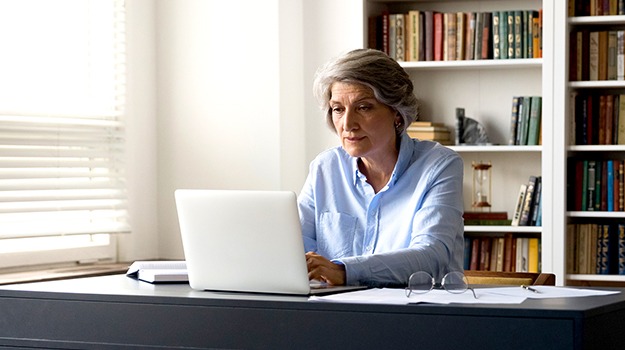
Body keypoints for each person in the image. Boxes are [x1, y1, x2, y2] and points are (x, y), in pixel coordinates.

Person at [298, 48, 464, 287]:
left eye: (364, 107)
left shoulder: (439, 165)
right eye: (338, 109)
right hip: (337, 311)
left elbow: (431, 255)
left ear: (396, 113)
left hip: (417, 315)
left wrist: (345, 271)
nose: (348, 124)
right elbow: (295, 247)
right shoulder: (325, 168)